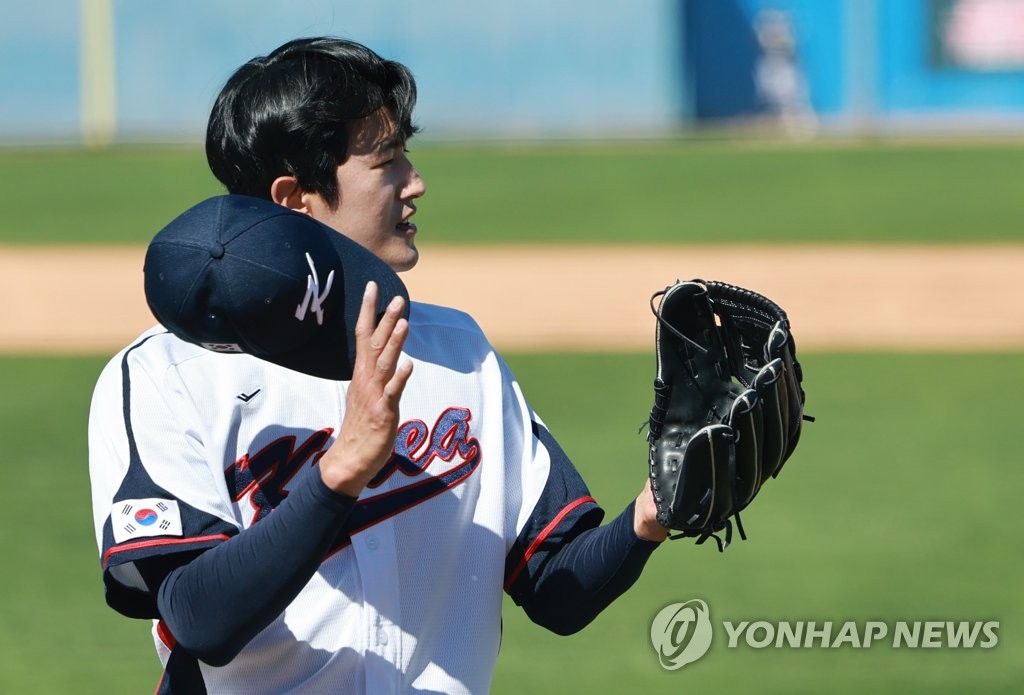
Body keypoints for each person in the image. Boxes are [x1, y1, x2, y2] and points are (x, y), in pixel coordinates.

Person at [88, 36, 668, 695]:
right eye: (387, 161)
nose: (415, 181)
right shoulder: (165, 376)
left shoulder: (460, 350)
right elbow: (199, 616)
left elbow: (557, 586)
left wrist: (651, 515)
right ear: (295, 198)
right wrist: (341, 469)